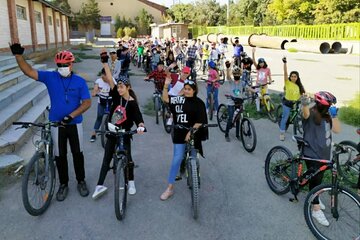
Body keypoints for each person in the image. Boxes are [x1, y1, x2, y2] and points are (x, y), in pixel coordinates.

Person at [9, 42, 91, 201]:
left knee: (77, 154)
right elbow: (29, 71)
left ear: (71, 64)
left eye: (66, 64)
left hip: (75, 124)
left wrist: (71, 116)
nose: (63, 67)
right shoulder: (50, 77)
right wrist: (19, 57)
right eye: (60, 65)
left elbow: (87, 103)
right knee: (60, 156)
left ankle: (81, 181)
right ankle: (63, 184)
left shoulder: (79, 81)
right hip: (56, 124)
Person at [92, 54, 146, 199]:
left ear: (128, 87)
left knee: (128, 158)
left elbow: (138, 117)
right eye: (119, 87)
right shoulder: (116, 95)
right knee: (106, 158)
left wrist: (141, 125)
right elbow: (110, 79)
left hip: (125, 133)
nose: (120, 90)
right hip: (112, 132)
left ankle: (131, 182)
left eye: (122, 87)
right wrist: (105, 64)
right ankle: (99, 185)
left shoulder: (133, 103)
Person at [160, 75, 208, 200]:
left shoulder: (199, 103)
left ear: (194, 90)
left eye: (189, 89)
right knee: (177, 159)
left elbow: (200, 121)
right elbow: (165, 99)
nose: (186, 91)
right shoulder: (179, 100)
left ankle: (194, 176)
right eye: (185, 88)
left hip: (193, 132)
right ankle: (169, 188)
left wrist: (191, 132)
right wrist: (166, 85)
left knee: (194, 156)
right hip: (179, 133)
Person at [301, 91, 340, 226]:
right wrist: (304, 103)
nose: (328, 109)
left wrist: (334, 116)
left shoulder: (328, 115)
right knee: (314, 179)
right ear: (319, 104)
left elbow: (337, 130)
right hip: (311, 153)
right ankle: (315, 207)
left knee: (318, 178)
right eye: (327, 106)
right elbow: (305, 113)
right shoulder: (310, 112)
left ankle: (315, 194)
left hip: (325, 154)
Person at [279, 57, 306, 141]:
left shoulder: (300, 86)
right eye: (292, 76)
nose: (293, 78)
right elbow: (285, 73)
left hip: (296, 103)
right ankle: (282, 133)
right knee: (285, 118)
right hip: (287, 103)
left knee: (299, 116)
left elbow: (303, 94)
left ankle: (297, 131)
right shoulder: (287, 83)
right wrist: (285, 63)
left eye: (295, 76)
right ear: (290, 77)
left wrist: (306, 98)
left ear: (297, 77)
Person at [90, 67, 116, 142]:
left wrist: (109, 81)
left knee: (112, 118)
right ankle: (94, 134)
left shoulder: (112, 80)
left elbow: (115, 89)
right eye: (104, 76)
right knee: (99, 117)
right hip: (101, 101)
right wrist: (95, 93)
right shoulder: (98, 81)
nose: (105, 78)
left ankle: (112, 133)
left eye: (107, 76)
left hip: (111, 101)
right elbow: (95, 89)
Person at [224, 65, 242, 142]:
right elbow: (228, 77)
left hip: (238, 102)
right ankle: (226, 134)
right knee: (231, 118)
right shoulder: (231, 82)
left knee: (238, 119)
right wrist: (228, 68)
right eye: (235, 74)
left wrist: (255, 92)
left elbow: (248, 87)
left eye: (238, 74)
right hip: (231, 102)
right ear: (233, 74)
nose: (236, 75)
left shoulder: (242, 82)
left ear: (240, 75)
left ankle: (237, 135)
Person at [252, 47, 272, 112]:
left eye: (262, 63)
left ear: (264, 62)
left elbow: (269, 76)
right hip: (258, 85)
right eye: (260, 63)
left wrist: (270, 80)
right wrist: (253, 53)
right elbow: (253, 61)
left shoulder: (268, 69)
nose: (261, 64)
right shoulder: (258, 68)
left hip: (265, 85)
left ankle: (268, 108)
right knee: (258, 97)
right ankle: (258, 109)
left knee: (267, 96)